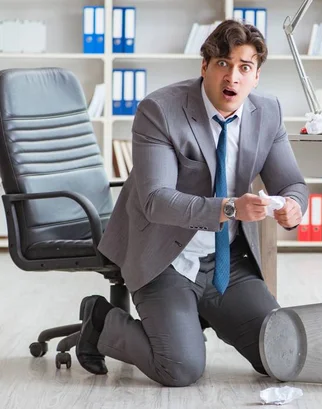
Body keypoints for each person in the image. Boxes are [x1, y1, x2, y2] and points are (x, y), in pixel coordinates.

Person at [75, 19, 309, 387]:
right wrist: (229, 208)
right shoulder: (161, 110)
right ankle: (102, 321)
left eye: (244, 67)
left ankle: (196, 315)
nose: (232, 77)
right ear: (204, 66)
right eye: (223, 64)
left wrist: (293, 207)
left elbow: (292, 183)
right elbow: (155, 200)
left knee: (282, 356)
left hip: (227, 261)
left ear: (256, 77)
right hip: (165, 256)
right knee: (181, 369)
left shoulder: (268, 114)